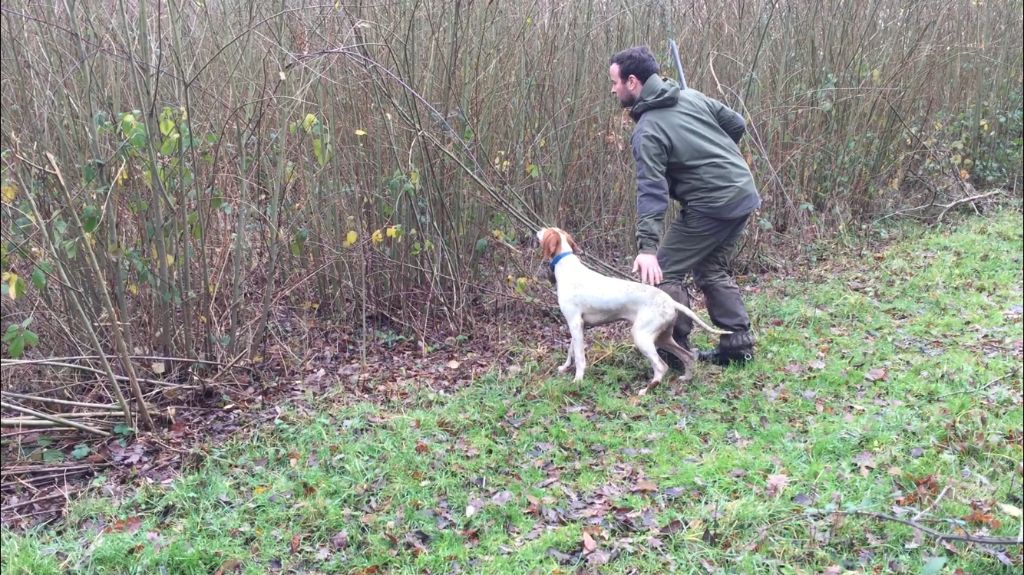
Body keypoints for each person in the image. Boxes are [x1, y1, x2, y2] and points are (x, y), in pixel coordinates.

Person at [608, 46, 759, 366]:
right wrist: (714, 155)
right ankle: (737, 348)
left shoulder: (647, 130)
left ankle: (675, 351)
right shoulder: (692, 97)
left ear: (632, 82)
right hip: (742, 193)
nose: (613, 89)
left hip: (713, 204)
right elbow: (737, 124)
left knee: (663, 274)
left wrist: (648, 249)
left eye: (616, 82)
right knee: (711, 267)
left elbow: (651, 191)